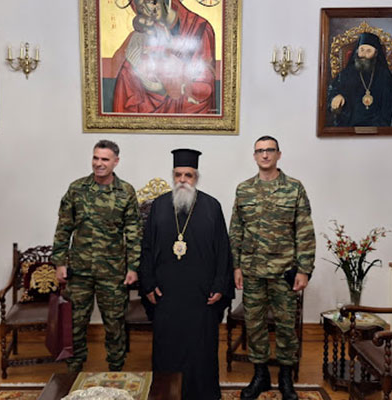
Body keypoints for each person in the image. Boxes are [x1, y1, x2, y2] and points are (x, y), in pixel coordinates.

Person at [139, 149, 233, 400]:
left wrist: (220, 285)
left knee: (201, 348)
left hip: (201, 296)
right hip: (166, 294)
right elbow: (146, 247)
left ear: (196, 177)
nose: (182, 180)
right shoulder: (159, 206)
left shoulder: (212, 206)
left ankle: (203, 394)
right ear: (173, 176)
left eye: (188, 175)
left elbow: (223, 250)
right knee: (167, 347)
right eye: (178, 174)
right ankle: (166, 393)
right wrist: (148, 283)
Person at [229, 136, 316, 400]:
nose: (265, 155)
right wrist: (236, 266)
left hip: (284, 271)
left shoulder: (294, 188)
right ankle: (261, 375)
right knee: (254, 325)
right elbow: (236, 230)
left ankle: (285, 378)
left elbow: (304, 230)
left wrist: (304, 270)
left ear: (279, 154)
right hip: (253, 271)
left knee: (286, 326)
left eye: (270, 150)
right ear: (254, 156)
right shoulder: (244, 189)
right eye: (260, 151)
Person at [51, 140, 142, 373]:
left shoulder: (125, 192)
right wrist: (59, 263)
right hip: (79, 271)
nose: (99, 164)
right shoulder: (77, 189)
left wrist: (133, 267)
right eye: (95, 158)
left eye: (104, 159)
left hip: (112, 272)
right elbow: (63, 228)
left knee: (115, 323)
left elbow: (134, 232)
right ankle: (74, 370)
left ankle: (116, 370)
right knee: (75, 323)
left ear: (115, 162)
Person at [112, 0, 216, 114]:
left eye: (149, 2)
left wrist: (183, 86)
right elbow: (126, 88)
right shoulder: (139, 37)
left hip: (185, 113)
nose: (147, 10)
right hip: (147, 115)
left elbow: (204, 88)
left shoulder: (200, 29)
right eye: (140, 7)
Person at [327, 32, 392, 127]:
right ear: (357, 51)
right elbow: (333, 90)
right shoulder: (347, 73)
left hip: (378, 125)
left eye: (369, 51)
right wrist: (336, 96)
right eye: (362, 50)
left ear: (375, 53)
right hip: (351, 124)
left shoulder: (383, 74)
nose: (364, 54)